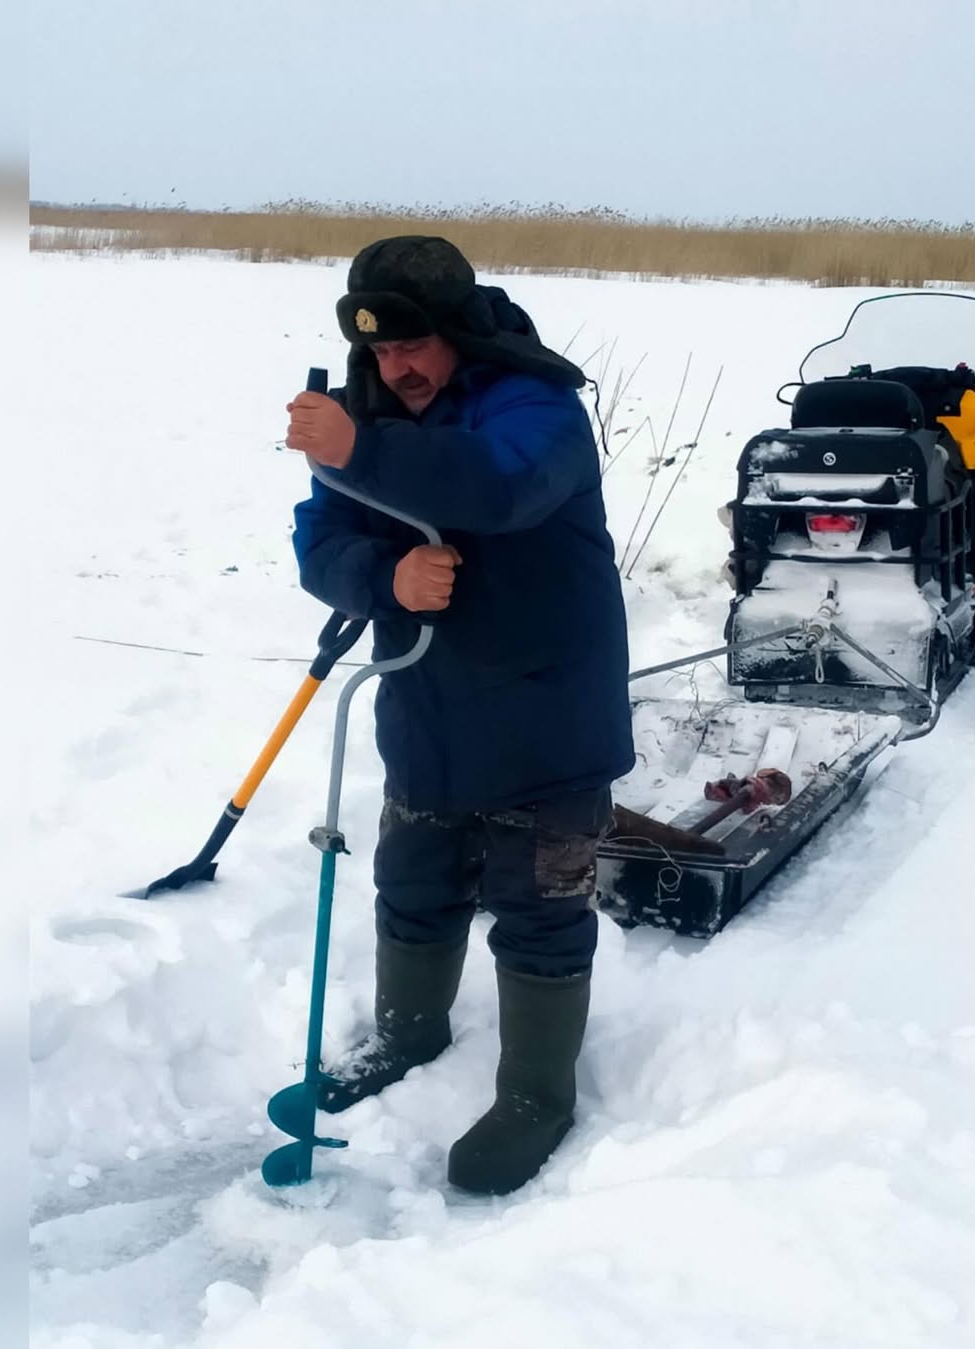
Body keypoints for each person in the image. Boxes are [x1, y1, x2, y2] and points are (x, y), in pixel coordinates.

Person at [285, 235, 634, 1196]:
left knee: (540, 908)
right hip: (430, 700)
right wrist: (381, 574)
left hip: (549, 710)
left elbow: (502, 486)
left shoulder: (535, 403)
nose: (398, 370)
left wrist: (359, 447)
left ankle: (536, 1092)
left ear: (459, 333)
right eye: (380, 352)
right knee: (415, 881)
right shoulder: (366, 407)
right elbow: (321, 538)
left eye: (414, 347)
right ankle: (408, 1033)